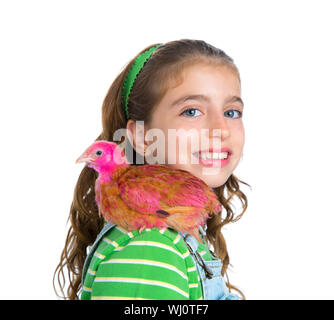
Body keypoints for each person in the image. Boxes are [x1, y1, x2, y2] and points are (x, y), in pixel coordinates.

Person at [54, 39, 251, 300]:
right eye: (192, 111)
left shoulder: (178, 234)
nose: (221, 129)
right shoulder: (150, 247)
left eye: (232, 112)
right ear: (144, 138)